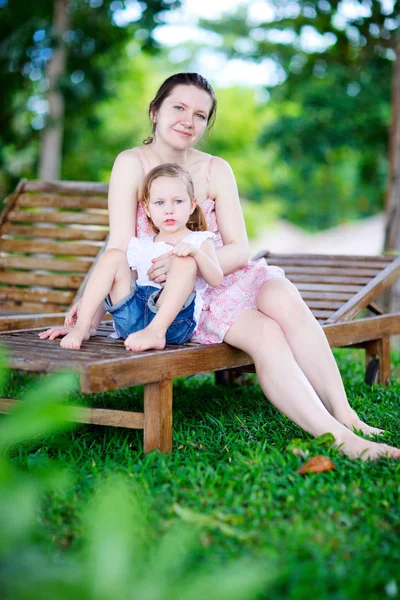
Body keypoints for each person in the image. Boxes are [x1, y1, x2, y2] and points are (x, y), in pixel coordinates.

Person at [63, 72, 399, 460]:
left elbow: (240, 248)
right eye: (178, 108)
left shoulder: (215, 169)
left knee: (284, 296)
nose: (188, 120)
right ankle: (342, 441)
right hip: (185, 299)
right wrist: (85, 313)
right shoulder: (130, 164)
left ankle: (346, 414)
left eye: (200, 115)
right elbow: (118, 245)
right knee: (266, 334)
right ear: (154, 112)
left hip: (224, 270)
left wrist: (187, 257)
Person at [39, 163, 223, 351]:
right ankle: (83, 326)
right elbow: (116, 283)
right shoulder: (141, 245)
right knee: (112, 257)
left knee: (184, 261)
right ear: (147, 209)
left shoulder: (199, 241)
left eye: (178, 201)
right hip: (133, 318)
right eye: (160, 202)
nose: (169, 209)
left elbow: (216, 279)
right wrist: (93, 320)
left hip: (174, 323)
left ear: (192, 205)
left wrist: (196, 254)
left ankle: (156, 332)